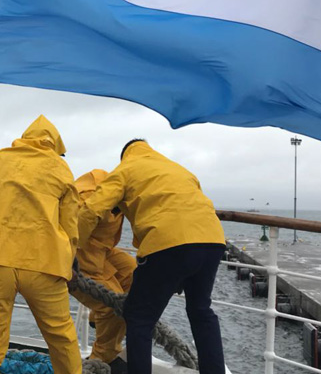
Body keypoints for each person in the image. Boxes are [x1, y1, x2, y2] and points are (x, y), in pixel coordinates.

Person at [77, 139, 226, 374]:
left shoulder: (124, 170)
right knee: (201, 311)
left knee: (139, 318)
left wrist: (70, 245)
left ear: (124, 155)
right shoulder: (180, 169)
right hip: (213, 240)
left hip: (167, 243)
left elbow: (92, 210)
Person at [0, 115, 81, 374]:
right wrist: (68, 263)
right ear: (55, 146)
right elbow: (71, 228)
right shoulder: (60, 169)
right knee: (62, 340)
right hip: (46, 266)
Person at [69, 169, 135, 374]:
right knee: (112, 304)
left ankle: (97, 322)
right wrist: (68, 256)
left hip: (101, 249)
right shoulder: (88, 196)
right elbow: (78, 223)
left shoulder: (125, 190)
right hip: (78, 252)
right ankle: (101, 359)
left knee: (136, 274)